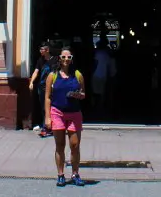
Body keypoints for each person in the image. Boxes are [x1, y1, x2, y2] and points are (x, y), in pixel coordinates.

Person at [45, 47, 85, 187]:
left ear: (72, 59)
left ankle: (75, 174)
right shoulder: (53, 75)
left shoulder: (78, 74)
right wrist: (47, 117)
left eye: (69, 57)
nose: (66, 59)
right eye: (63, 57)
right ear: (59, 59)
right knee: (60, 145)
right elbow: (48, 97)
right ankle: (60, 174)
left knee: (75, 145)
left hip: (74, 113)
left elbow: (83, 93)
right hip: (58, 113)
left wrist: (79, 95)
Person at [28, 43, 54, 137]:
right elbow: (36, 71)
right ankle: (45, 127)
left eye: (42, 49)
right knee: (44, 108)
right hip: (42, 87)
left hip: (52, 87)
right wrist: (31, 82)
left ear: (47, 50)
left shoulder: (54, 60)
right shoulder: (40, 60)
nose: (40, 51)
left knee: (52, 107)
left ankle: (51, 127)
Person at [91, 38, 116, 115]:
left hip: (96, 74)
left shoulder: (97, 53)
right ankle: (100, 107)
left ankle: (94, 107)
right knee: (102, 92)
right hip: (104, 74)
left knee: (94, 91)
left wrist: (91, 71)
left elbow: (95, 63)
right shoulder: (107, 54)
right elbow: (109, 66)